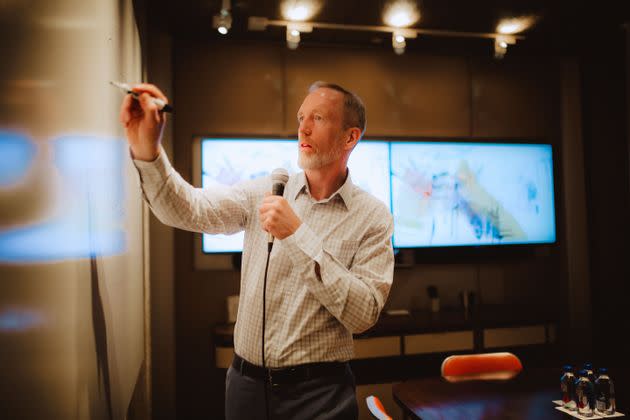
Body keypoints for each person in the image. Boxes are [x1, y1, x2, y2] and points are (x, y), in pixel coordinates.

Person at [120, 81, 394, 419]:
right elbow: (188, 208)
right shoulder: (266, 191)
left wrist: (296, 234)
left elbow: (363, 315)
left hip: (320, 395)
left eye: (318, 118)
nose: (303, 129)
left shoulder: (373, 216)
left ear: (350, 137)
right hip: (245, 387)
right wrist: (148, 150)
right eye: (301, 117)